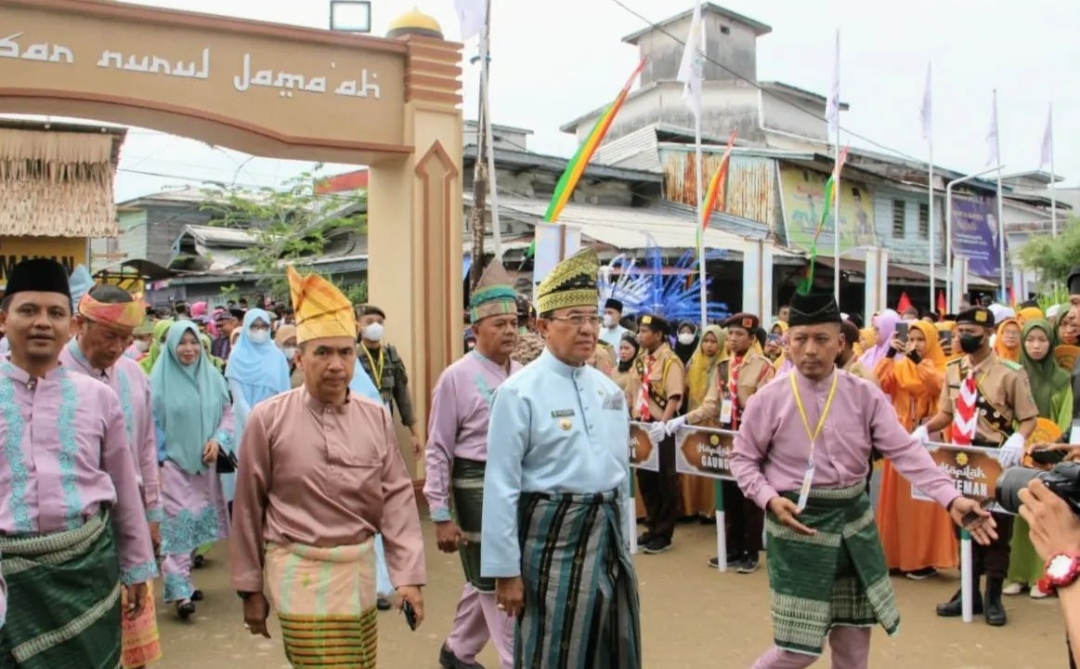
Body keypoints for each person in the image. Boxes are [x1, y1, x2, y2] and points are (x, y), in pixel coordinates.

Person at [730, 290, 995, 669]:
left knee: (854, 646)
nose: (810, 349)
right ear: (786, 343)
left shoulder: (864, 394)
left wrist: (952, 499)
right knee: (798, 650)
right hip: (798, 529)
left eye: (821, 339)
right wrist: (769, 499)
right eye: (800, 338)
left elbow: (904, 451)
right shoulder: (767, 400)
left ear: (840, 343)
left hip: (855, 527)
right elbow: (743, 460)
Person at [231, 266, 426, 669]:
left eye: (345, 351)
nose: (336, 364)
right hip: (296, 570)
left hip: (358, 572)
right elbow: (248, 508)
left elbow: (396, 500)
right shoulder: (267, 420)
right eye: (323, 352)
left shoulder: (375, 417)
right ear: (300, 359)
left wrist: (407, 577)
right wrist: (250, 588)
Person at [482, 248, 639, 668]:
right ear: (543, 325)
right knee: (552, 651)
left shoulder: (608, 392)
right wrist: (505, 571)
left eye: (592, 318)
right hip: (549, 543)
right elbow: (500, 488)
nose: (588, 329)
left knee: (612, 646)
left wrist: (624, 542)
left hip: (606, 538)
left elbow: (621, 477)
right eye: (575, 319)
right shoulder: (518, 394)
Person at [0, 258, 157, 668]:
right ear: (3, 320)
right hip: (8, 582)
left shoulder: (98, 398)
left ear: (70, 326)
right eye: (28, 311)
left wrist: (137, 566)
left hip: (87, 573)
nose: (41, 323)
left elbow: (124, 487)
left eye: (55, 313)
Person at [61, 284, 165, 669]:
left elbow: (146, 448)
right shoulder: (53, 371)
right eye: (110, 336)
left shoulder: (134, 376)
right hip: (78, 530)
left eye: (126, 338)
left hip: (130, 517)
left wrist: (152, 515)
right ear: (79, 324)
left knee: (133, 633)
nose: (119, 347)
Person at [425, 260, 520, 669]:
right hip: (476, 490)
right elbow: (438, 449)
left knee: (485, 578)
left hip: (517, 487)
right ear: (476, 330)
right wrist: (441, 514)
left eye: (515, 322)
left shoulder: (522, 374)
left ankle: (458, 651)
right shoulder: (455, 378)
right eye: (499, 324)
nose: (510, 331)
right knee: (497, 581)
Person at [920, 306, 1039, 626]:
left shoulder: (1009, 372)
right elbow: (946, 413)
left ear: (988, 334)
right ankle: (967, 591)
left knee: (998, 529)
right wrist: (925, 429)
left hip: (996, 457)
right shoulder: (954, 369)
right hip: (960, 457)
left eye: (971, 332)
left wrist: (1018, 440)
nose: (963, 337)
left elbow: (1028, 418)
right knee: (963, 524)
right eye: (960, 331)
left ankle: (994, 594)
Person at [668, 314, 774, 572]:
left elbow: (767, 406)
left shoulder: (763, 367)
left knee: (749, 495)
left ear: (751, 339)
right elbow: (711, 404)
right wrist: (684, 419)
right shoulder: (723, 368)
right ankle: (732, 548)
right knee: (728, 494)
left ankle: (751, 551)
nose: (735, 339)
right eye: (732, 334)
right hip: (726, 437)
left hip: (751, 439)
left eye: (740, 335)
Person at [152, 321, 234, 619]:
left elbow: (228, 413)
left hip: (206, 466)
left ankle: (184, 580)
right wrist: (157, 464)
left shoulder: (212, 377)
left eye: (194, 342)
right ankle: (179, 592)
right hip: (172, 466)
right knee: (177, 526)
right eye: (182, 343)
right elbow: (151, 427)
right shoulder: (157, 383)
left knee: (197, 524)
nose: (189, 349)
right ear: (170, 346)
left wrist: (218, 440)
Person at [872, 319, 957, 578]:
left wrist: (920, 361)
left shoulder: (943, 366)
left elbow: (939, 385)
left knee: (923, 501)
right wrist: (889, 353)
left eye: (921, 340)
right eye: (912, 339)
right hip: (900, 437)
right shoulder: (900, 366)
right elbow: (878, 382)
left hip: (928, 437)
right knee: (897, 500)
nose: (916, 344)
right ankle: (896, 556)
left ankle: (923, 559)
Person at [1005, 318, 1072, 598]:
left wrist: (1054, 448)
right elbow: (1008, 414)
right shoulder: (1014, 375)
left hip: (1051, 457)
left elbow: (1066, 417)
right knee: (1022, 513)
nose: (1035, 346)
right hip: (1021, 454)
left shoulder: (1063, 380)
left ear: (1051, 342)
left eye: (1042, 340)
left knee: (1049, 514)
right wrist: (1018, 441)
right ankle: (1018, 574)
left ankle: (1043, 576)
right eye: (1030, 340)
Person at [222, 309, 291, 507]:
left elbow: (284, 393)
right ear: (246, 328)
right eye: (254, 326)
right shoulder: (237, 356)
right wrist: (255, 421)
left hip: (274, 424)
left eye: (263, 327)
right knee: (247, 474)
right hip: (245, 424)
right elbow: (238, 396)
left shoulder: (277, 357)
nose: (259, 331)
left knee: (273, 474)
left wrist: (274, 422)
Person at [633, 312, 684, 554]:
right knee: (646, 479)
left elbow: (674, 395)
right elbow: (633, 391)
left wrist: (663, 424)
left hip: (661, 426)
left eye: (644, 331)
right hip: (642, 425)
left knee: (666, 479)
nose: (639, 335)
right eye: (639, 331)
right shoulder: (640, 360)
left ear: (659, 335)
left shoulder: (670, 361)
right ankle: (652, 525)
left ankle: (664, 533)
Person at [679, 324, 726, 522]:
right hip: (694, 418)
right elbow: (686, 389)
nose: (708, 346)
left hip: (714, 421)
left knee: (711, 465)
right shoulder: (693, 362)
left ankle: (712, 509)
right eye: (705, 341)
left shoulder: (724, 366)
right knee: (693, 464)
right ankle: (692, 507)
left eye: (713, 341)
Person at [273, 323, 304, 388]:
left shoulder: (302, 365)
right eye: (287, 344)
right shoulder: (271, 365)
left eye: (294, 344)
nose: (291, 348)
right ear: (278, 344)